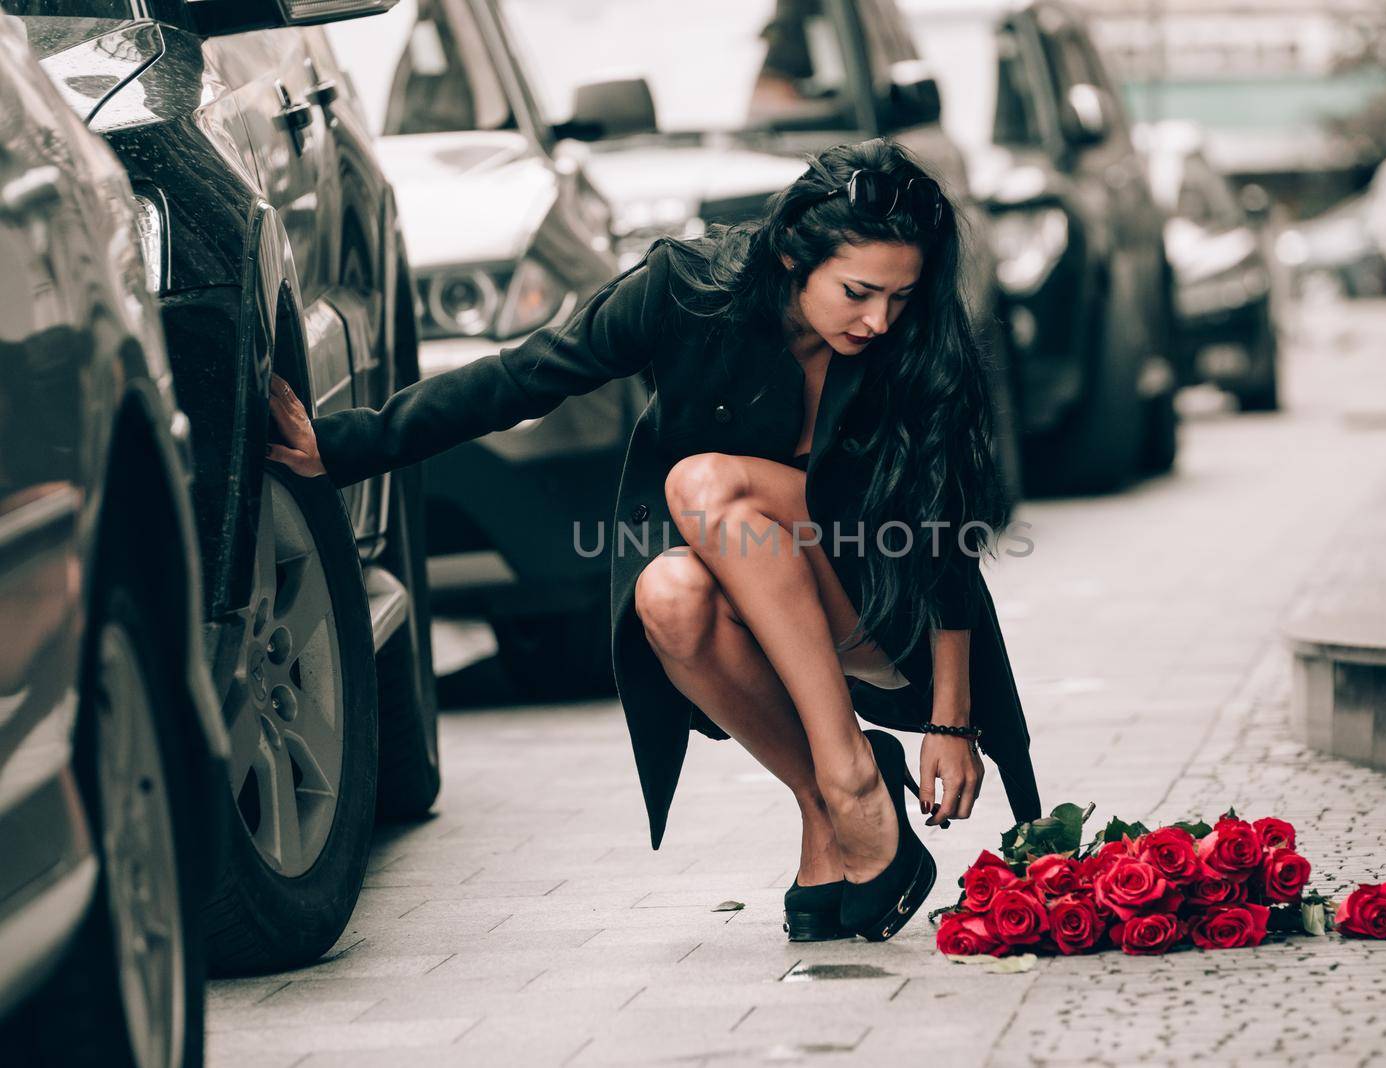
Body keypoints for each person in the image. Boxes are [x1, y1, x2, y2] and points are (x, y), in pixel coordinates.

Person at [267, 138, 1042, 943]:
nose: (880, 319)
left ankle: (852, 781)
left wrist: (954, 721)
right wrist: (346, 445)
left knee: (702, 483)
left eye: (900, 297)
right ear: (789, 256)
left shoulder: (914, 347)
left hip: (882, 613)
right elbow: (523, 377)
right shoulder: (687, 293)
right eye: (857, 292)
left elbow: (945, 535)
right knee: (664, 597)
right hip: (769, 613)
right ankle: (827, 802)